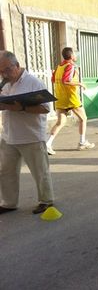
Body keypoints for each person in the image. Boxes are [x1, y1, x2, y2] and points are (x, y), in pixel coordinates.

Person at [0, 50, 54, 214]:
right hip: (9, 135)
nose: (4, 74)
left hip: (31, 136)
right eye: (1, 71)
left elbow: (45, 109)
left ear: (16, 65)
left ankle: (46, 201)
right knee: (6, 171)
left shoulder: (33, 82)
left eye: (7, 70)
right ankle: (9, 203)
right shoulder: (6, 84)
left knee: (40, 171)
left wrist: (22, 107)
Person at [46, 47, 94, 155]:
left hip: (60, 98)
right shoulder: (70, 66)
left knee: (60, 122)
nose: (76, 56)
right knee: (83, 118)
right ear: (71, 56)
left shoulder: (59, 67)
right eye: (75, 54)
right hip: (71, 98)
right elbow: (66, 81)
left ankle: (47, 144)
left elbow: (53, 80)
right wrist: (80, 84)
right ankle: (82, 142)